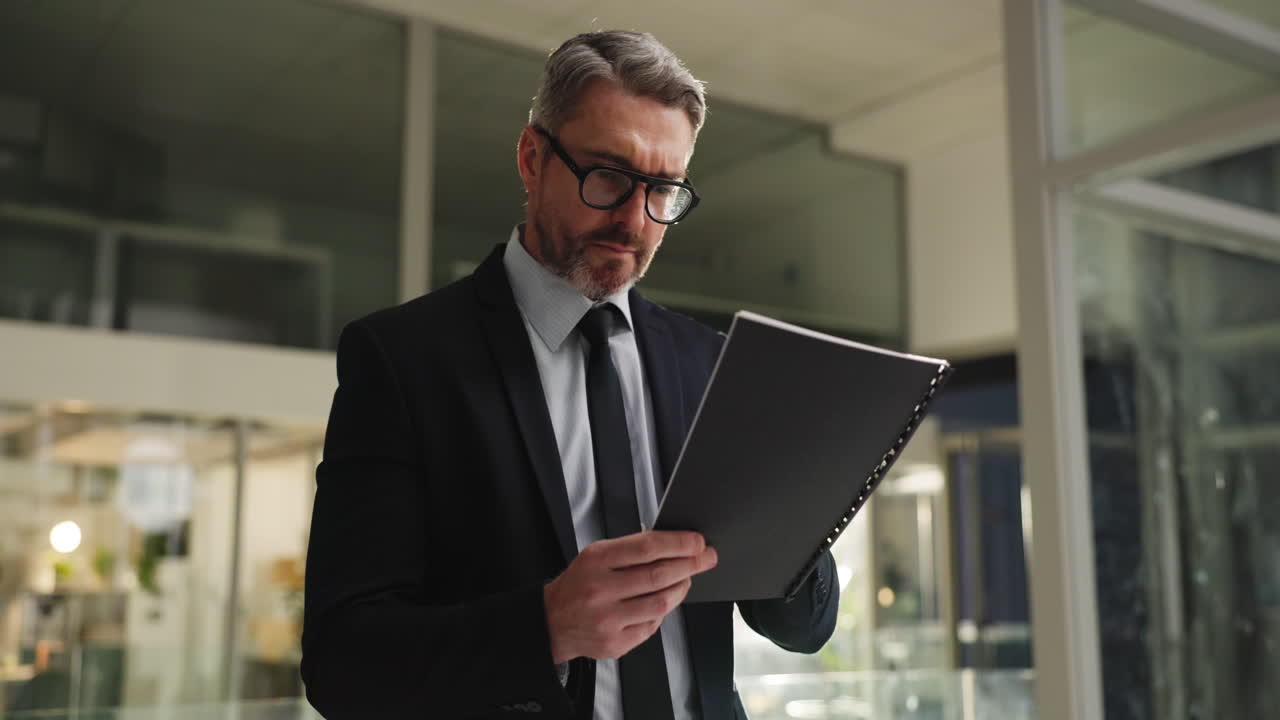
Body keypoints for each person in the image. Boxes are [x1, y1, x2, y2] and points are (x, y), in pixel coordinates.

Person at [300, 30, 838, 720]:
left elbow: (805, 626)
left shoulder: (710, 365)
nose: (632, 219)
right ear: (532, 158)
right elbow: (342, 663)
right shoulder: (403, 360)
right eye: (609, 176)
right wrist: (546, 625)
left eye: (663, 190)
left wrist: (791, 499)